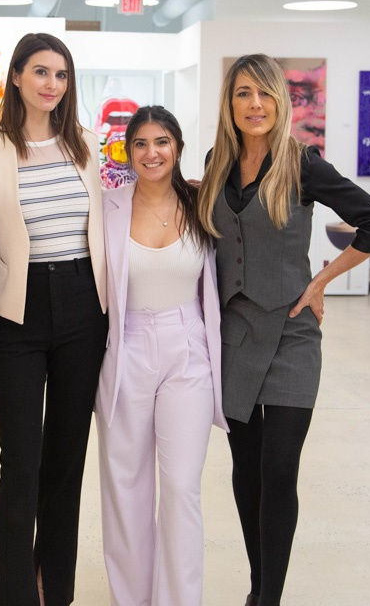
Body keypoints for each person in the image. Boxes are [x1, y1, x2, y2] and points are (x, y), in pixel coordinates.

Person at [196, 54, 370, 606]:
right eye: (242, 93)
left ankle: (267, 599)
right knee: (246, 470)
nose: (254, 105)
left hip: (290, 335)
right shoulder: (217, 161)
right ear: (229, 102)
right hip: (235, 335)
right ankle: (259, 585)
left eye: (264, 93)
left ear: (280, 101)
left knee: (279, 470)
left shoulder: (302, 163)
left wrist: (323, 280)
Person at [0, 32, 108, 606]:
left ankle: (55, 589)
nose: (52, 84)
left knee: (66, 459)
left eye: (62, 75)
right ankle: (9, 595)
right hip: (17, 313)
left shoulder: (87, 148)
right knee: (20, 462)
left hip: (82, 307)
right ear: (17, 77)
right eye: (41, 72)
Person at [95, 106, 228, 605]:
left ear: (177, 148)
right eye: (142, 144)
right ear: (128, 152)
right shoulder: (107, 205)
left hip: (187, 349)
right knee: (125, 486)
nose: (152, 153)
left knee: (180, 489)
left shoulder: (201, 202)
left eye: (163, 142)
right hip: (125, 347)